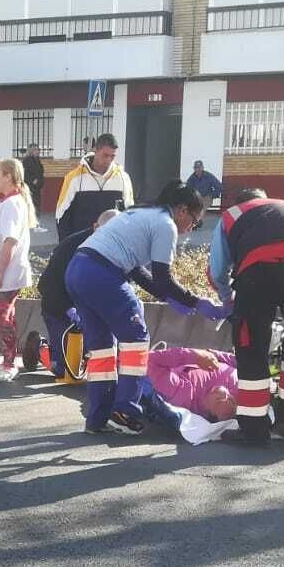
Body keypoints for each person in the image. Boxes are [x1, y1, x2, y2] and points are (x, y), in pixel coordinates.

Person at [65, 181, 223, 436]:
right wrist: (194, 301)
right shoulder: (166, 224)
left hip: (77, 270)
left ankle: (98, 418)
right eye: (194, 221)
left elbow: (137, 272)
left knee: (103, 350)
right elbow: (163, 276)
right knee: (137, 340)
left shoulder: (140, 213)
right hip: (104, 275)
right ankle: (124, 410)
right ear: (182, 210)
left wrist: (169, 297)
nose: (191, 229)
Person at [208, 186, 284, 447]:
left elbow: (217, 269)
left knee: (252, 347)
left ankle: (254, 430)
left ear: (242, 203)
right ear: (264, 200)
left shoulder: (232, 215)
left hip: (256, 273)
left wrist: (227, 299)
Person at [35, 208, 119, 378]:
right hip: (59, 306)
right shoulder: (71, 247)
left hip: (88, 307)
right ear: (96, 226)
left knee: (99, 350)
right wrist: (68, 309)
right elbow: (47, 285)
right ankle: (40, 349)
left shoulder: (117, 248)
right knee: (63, 370)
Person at [0, 157, 38, 382]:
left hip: (7, 274)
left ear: (9, 176)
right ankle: (8, 360)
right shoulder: (7, 202)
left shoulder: (12, 204)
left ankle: (10, 364)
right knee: (6, 316)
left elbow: (10, 242)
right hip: (4, 273)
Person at [55, 133, 133, 241]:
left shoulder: (123, 178)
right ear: (95, 150)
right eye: (105, 155)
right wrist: (65, 247)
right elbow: (61, 214)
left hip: (111, 245)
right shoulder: (74, 178)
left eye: (113, 156)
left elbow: (129, 213)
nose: (109, 160)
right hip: (81, 245)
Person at [148, 346, 238, 423]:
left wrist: (199, 355)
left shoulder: (175, 388)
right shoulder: (177, 391)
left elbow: (235, 359)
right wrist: (195, 355)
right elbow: (149, 360)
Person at [22, 144, 46, 210]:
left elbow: (40, 172)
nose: (38, 151)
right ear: (31, 151)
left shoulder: (37, 160)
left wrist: (41, 181)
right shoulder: (27, 160)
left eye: (38, 150)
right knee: (31, 207)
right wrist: (33, 181)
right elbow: (24, 174)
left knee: (36, 207)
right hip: (30, 188)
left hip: (37, 188)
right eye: (35, 150)